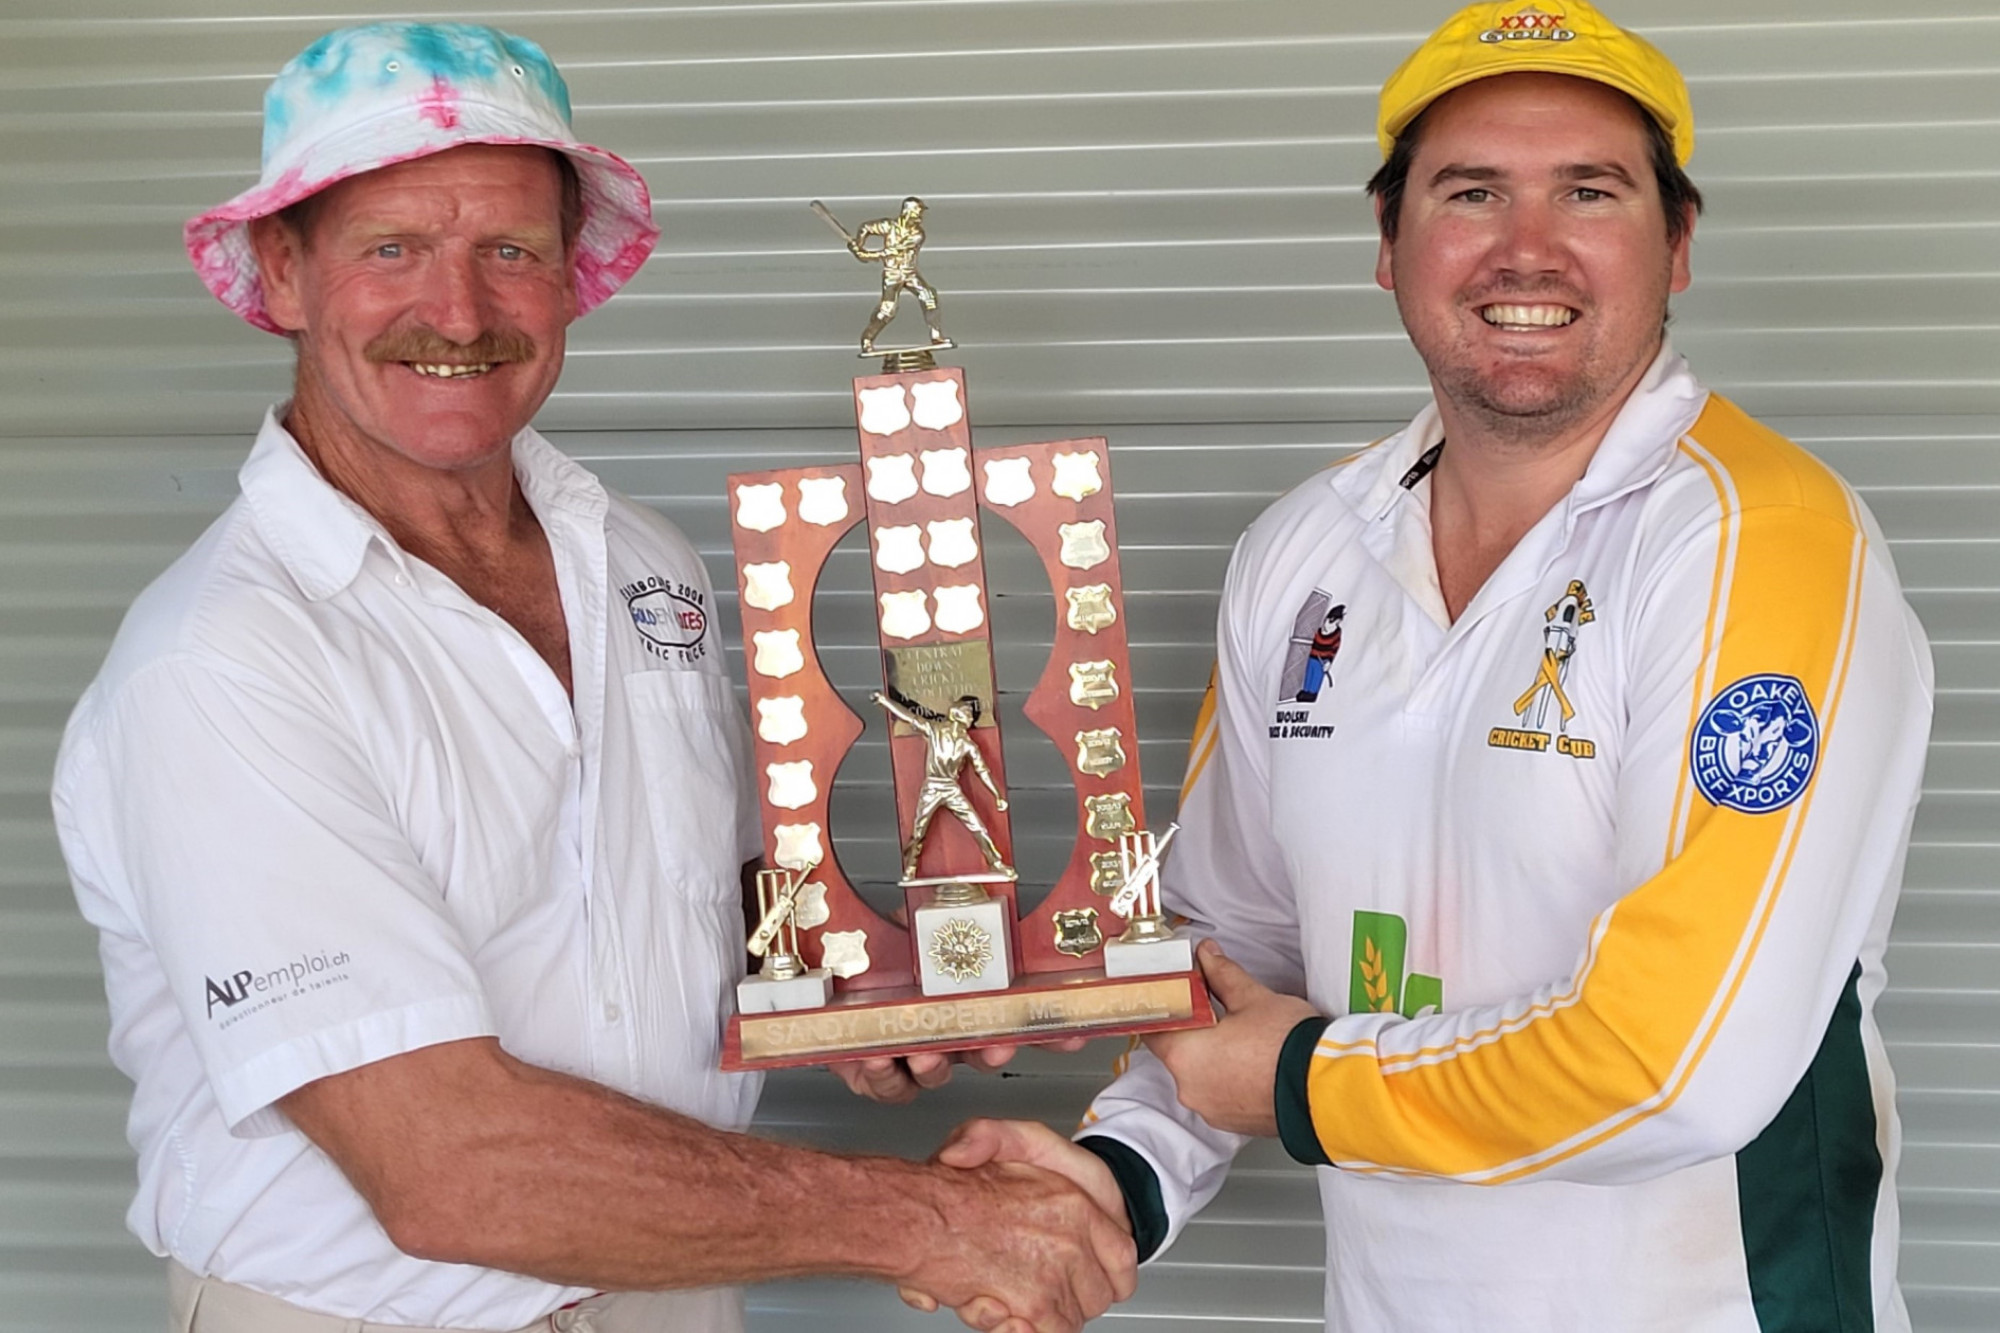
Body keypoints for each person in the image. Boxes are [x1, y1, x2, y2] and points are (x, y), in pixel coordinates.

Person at [51, 22, 1131, 1333]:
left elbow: (710, 897)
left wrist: (861, 991)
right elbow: (450, 1166)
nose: (457, 312)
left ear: (570, 277)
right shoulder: (222, 662)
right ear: (283, 273)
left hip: (671, 1293)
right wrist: (943, 1222)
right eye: (392, 248)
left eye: (508, 250)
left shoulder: (640, 564)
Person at [933, 2, 1934, 1329]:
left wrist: (1301, 1081)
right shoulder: (1301, 554)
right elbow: (1227, 945)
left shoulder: (1766, 544)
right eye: (1472, 192)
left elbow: (1679, 1062)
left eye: (1591, 190)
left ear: (1678, 244)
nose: (1529, 248)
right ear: (1389, 244)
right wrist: (1117, 1179)